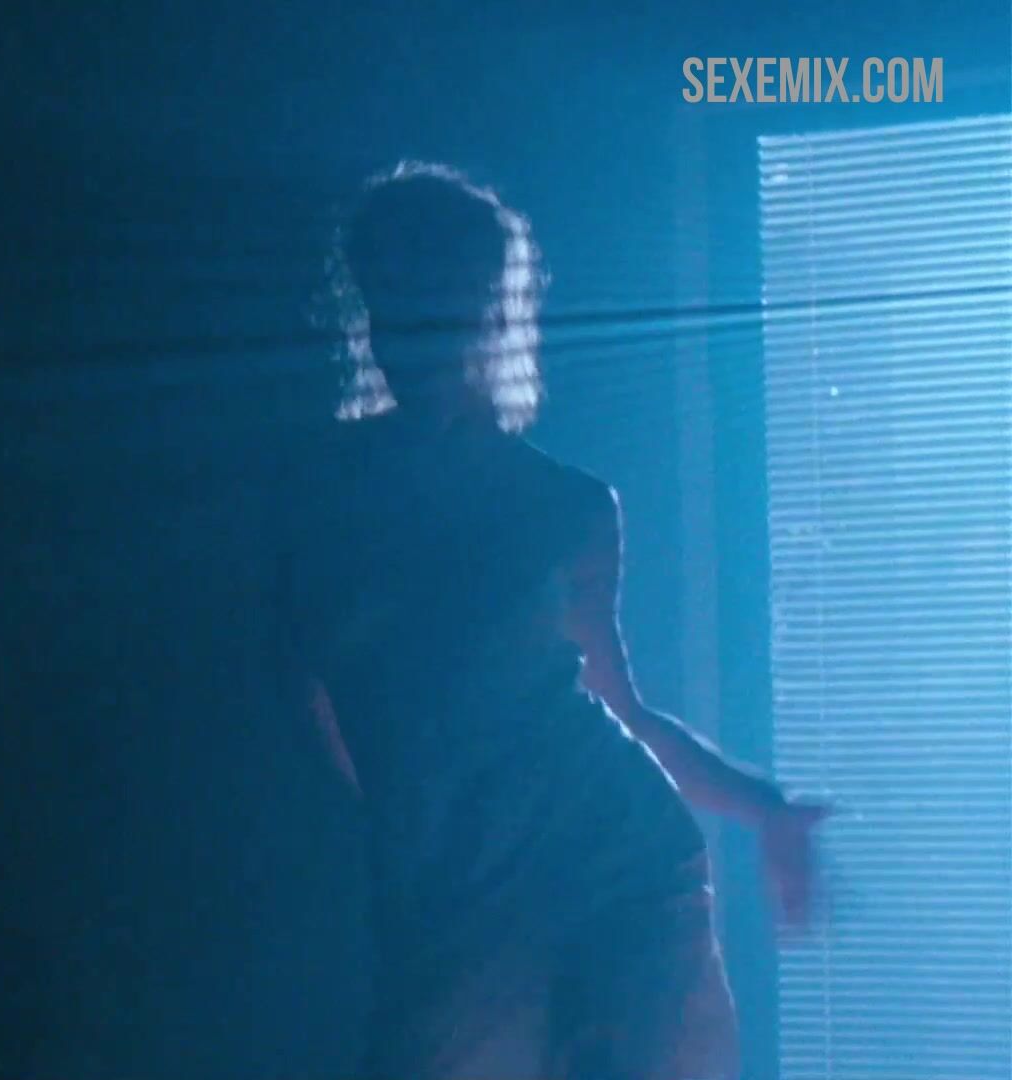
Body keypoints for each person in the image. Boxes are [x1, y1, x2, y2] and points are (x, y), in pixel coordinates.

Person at [277, 162, 829, 1079]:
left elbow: (622, 713)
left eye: (444, 305)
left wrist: (761, 807)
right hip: (453, 890)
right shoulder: (318, 494)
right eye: (391, 302)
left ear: (491, 316)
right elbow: (318, 705)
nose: (413, 334)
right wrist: (426, 838)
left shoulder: (564, 506)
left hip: (615, 869)